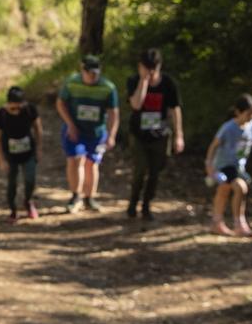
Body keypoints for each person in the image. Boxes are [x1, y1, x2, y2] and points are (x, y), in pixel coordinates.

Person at [205, 93, 252, 237]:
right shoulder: (228, 128)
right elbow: (213, 146)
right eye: (248, 114)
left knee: (224, 191)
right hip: (223, 166)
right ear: (238, 112)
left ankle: (217, 223)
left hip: (238, 167)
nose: (251, 118)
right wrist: (209, 166)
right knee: (240, 188)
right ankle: (239, 223)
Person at [125, 48, 184, 221]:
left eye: (153, 69)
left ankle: (146, 205)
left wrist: (179, 135)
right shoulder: (133, 81)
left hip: (160, 135)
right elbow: (135, 105)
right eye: (146, 68)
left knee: (155, 172)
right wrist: (143, 82)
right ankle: (133, 202)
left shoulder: (169, 84)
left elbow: (175, 109)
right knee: (140, 169)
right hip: (139, 135)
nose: (150, 72)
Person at [56, 54, 119, 214]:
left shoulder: (108, 88)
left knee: (92, 164)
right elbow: (61, 103)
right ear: (82, 70)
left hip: (96, 133)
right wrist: (70, 124)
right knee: (75, 160)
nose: (92, 76)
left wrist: (111, 135)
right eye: (89, 73)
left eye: (96, 73)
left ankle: (89, 198)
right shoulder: (71, 83)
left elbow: (113, 113)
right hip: (75, 130)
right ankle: (75, 196)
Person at [0, 87, 43, 223]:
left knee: (30, 179)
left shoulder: (30, 110)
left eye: (19, 108)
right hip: (10, 155)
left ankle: (28, 201)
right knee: (12, 183)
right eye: (13, 108)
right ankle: (13, 210)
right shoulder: (1, 114)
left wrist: (38, 148)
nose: (16, 111)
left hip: (28, 152)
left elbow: (38, 128)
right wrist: (1, 160)